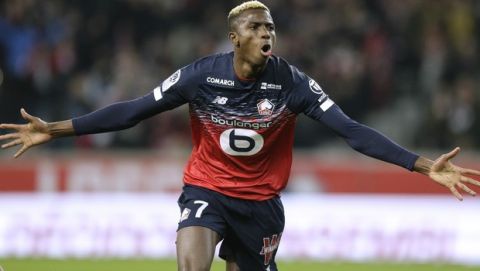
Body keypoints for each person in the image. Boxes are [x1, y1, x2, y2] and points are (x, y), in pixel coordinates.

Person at [1, 1, 480, 270]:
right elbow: (134, 111)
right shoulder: (200, 76)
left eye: (270, 26)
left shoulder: (291, 83)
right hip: (207, 188)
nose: (266, 32)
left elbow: (352, 132)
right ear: (235, 37)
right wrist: (57, 129)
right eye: (256, 26)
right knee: (191, 267)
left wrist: (421, 164)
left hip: (261, 205)